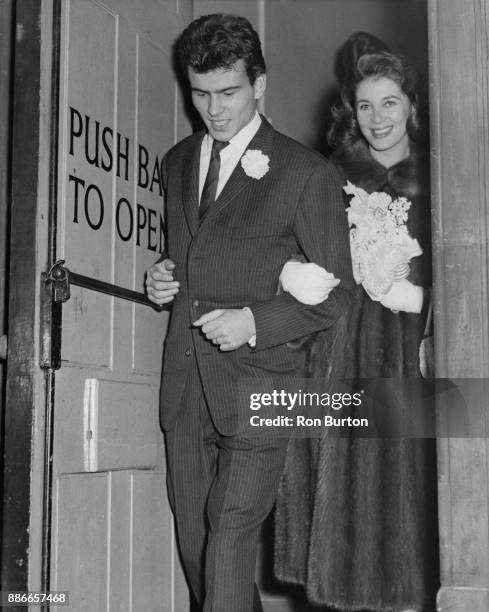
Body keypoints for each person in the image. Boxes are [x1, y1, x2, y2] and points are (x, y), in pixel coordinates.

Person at [145, 14, 353, 612]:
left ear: (259, 85)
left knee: (230, 538)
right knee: (197, 545)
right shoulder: (177, 163)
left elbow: (336, 294)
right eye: (200, 93)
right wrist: (163, 278)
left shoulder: (306, 173)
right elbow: (193, 253)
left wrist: (256, 322)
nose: (213, 109)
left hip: (263, 386)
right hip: (186, 386)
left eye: (229, 93)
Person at [274, 50, 439, 611]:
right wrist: (293, 272)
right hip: (334, 357)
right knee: (337, 528)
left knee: (413, 523)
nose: (378, 117)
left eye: (390, 102)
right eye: (365, 105)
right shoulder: (331, 175)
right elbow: (287, 247)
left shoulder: (445, 179)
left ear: (412, 106)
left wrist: (418, 299)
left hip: (410, 362)